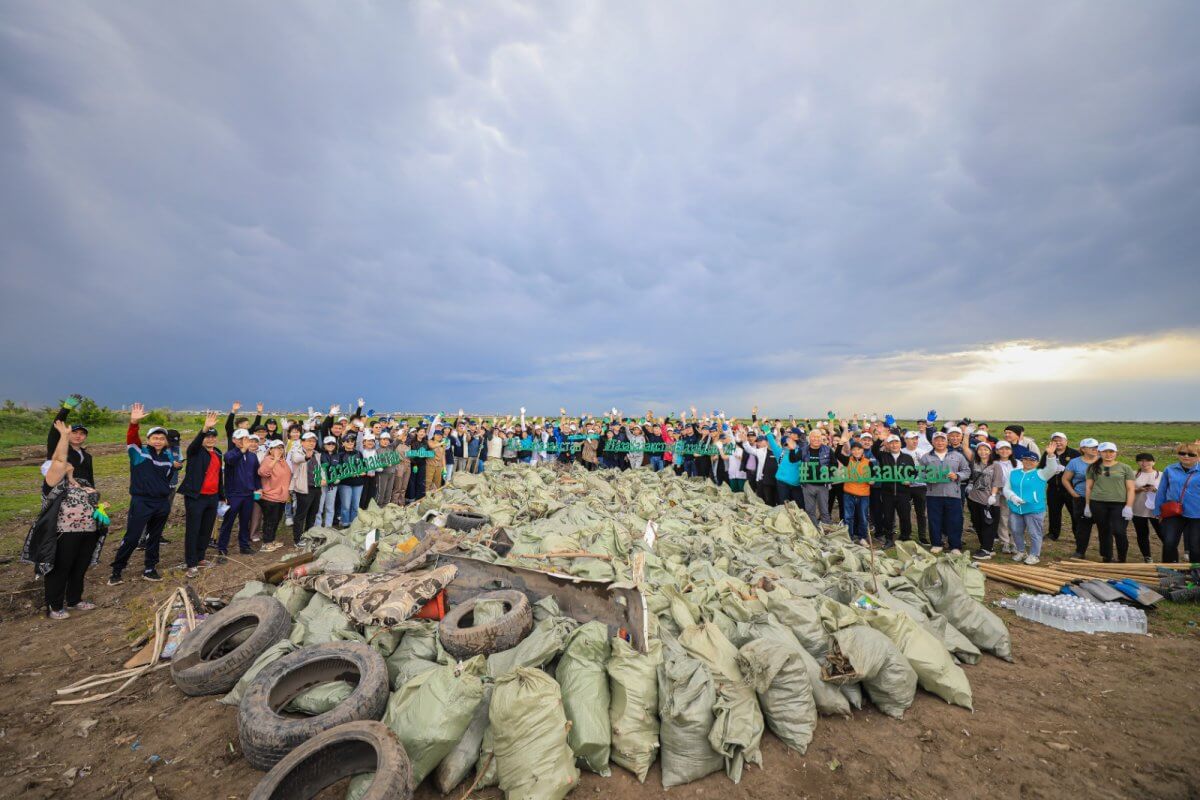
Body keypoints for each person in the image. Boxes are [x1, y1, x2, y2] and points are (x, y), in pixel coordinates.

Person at [23, 420, 105, 619]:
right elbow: (58, 459)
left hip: (88, 529)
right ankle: (55, 606)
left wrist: (99, 506)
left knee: (80, 566)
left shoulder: (81, 482)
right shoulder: (52, 484)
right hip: (64, 532)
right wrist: (63, 436)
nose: (66, 464)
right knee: (61, 567)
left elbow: (94, 499)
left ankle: (75, 599)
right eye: (62, 464)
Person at [108, 404, 177, 584]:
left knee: (154, 538)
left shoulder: (168, 457)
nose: (158, 440)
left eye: (162, 438)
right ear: (148, 439)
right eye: (154, 437)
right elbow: (131, 438)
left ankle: (149, 568)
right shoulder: (139, 453)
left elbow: (168, 477)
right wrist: (134, 422)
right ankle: (117, 570)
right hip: (142, 502)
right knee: (132, 537)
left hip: (162, 503)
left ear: (166, 441)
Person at [178, 411, 223, 577]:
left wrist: (222, 495)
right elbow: (194, 445)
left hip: (212, 497)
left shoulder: (217, 453)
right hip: (196, 497)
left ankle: (201, 557)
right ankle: (191, 563)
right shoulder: (195, 452)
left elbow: (219, 476)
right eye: (207, 436)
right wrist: (204, 428)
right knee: (193, 529)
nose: (210, 439)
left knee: (206, 529)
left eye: (213, 436)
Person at [1004, 442, 1062, 565]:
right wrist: (1012, 497)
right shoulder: (1014, 473)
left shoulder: (1040, 473)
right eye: (1026, 459)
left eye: (1032, 460)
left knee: (1034, 533)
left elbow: (1052, 468)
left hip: (1034, 509)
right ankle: (1021, 551)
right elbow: (1006, 488)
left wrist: (1051, 455)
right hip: (1016, 508)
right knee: (1015, 531)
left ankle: (1034, 555)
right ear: (1022, 460)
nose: (1029, 462)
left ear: (1036, 462)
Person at [920, 431, 972, 554]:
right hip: (933, 494)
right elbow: (920, 474)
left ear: (947, 441)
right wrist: (928, 477)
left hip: (953, 494)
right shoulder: (926, 457)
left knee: (955, 520)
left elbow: (967, 471)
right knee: (934, 520)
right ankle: (937, 543)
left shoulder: (957, 456)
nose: (940, 442)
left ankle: (955, 545)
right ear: (932, 442)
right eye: (937, 440)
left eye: (942, 440)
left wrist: (957, 475)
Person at [1084, 442, 1136, 563]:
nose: (1108, 454)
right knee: (1104, 530)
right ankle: (1107, 556)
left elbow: (1130, 488)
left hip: (1119, 504)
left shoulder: (1125, 468)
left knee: (1119, 531)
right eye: (1105, 451)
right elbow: (1088, 487)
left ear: (1116, 453)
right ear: (1099, 452)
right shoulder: (1093, 467)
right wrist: (1087, 505)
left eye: (1111, 451)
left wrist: (1129, 506)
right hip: (1098, 503)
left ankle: (1122, 558)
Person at [1152, 441, 1200, 563]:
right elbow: (1162, 490)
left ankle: (1196, 574)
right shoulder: (1170, 469)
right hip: (1174, 512)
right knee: (1169, 543)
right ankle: (1169, 571)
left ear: (1198, 456)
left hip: (1197, 514)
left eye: (1191, 454)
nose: (1186, 456)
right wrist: (1158, 511)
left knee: (1195, 547)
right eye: (1182, 453)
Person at [217, 428, 261, 559]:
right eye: (241, 439)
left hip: (248, 494)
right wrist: (242, 450)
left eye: (246, 438)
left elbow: (256, 474)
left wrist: (258, 488)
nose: (244, 441)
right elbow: (231, 461)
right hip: (234, 495)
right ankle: (222, 548)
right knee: (228, 522)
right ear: (234, 440)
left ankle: (244, 546)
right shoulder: (230, 454)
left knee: (245, 521)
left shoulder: (252, 456)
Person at [1062, 437, 1100, 559]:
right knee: (1082, 527)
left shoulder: (1103, 460)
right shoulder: (1075, 462)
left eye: (1096, 447)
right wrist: (1073, 494)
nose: (1095, 449)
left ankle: (1106, 554)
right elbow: (1065, 479)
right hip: (1081, 498)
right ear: (1083, 449)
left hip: (1101, 499)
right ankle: (1080, 551)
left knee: (1105, 527)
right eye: (1092, 447)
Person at [875, 434, 915, 547]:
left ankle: (905, 537)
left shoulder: (907, 457)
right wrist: (880, 438)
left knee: (905, 516)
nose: (894, 445)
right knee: (887, 517)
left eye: (896, 442)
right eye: (891, 443)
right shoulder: (883, 456)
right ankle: (889, 539)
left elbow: (913, 472)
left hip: (904, 493)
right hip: (887, 493)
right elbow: (874, 449)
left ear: (900, 444)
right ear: (887, 445)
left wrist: (910, 480)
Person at [966, 440, 1003, 560]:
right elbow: (971, 477)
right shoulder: (974, 462)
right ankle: (987, 547)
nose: (983, 452)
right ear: (977, 451)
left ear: (990, 451)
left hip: (989, 501)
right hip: (974, 498)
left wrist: (993, 495)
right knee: (978, 524)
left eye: (986, 449)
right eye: (980, 449)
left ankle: (986, 550)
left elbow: (997, 482)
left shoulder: (996, 465)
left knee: (988, 525)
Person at [47, 393, 94, 485]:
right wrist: (65, 409)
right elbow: (55, 428)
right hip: (60, 494)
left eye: (82, 434)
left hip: (81, 495)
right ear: (67, 434)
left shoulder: (88, 457)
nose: (78, 436)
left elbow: (90, 478)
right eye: (74, 432)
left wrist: (93, 494)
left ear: (85, 437)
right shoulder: (59, 452)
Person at [1043, 432, 1080, 541]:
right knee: (1054, 512)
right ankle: (1053, 534)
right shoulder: (1048, 453)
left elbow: (1080, 469)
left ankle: (1078, 534)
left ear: (1066, 441)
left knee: (1074, 512)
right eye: (1055, 441)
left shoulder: (1074, 454)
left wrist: (1066, 469)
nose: (1058, 443)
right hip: (1054, 488)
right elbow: (1041, 468)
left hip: (1070, 488)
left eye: (1060, 440)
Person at [256, 440, 290, 553]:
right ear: (270, 450)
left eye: (281, 448)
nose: (279, 450)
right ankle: (266, 543)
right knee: (270, 520)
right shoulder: (268, 460)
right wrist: (275, 459)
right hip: (270, 497)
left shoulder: (283, 461)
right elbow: (263, 472)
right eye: (276, 448)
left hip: (281, 497)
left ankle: (272, 540)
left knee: (276, 520)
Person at [798, 430, 836, 527]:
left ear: (821, 438)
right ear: (809, 438)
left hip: (823, 485)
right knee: (810, 510)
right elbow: (793, 459)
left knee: (824, 510)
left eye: (818, 437)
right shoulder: (803, 450)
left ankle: (826, 530)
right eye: (813, 437)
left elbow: (834, 464)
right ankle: (814, 530)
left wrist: (828, 475)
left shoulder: (827, 449)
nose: (816, 439)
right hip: (807, 485)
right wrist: (790, 449)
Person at [840, 439, 873, 545]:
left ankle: (862, 537)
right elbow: (837, 454)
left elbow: (873, 477)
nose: (856, 451)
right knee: (848, 517)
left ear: (862, 450)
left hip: (863, 494)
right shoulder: (847, 460)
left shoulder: (869, 462)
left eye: (859, 449)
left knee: (863, 517)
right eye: (854, 450)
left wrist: (872, 480)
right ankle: (849, 537)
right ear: (851, 451)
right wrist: (841, 443)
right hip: (849, 493)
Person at [1131, 453, 1162, 563]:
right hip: (1137, 509)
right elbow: (1128, 490)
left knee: (1163, 533)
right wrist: (1139, 489)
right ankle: (1147, 556)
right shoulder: (1133, 474)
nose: (1144, 463)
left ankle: (1169, 555)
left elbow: (1166, 492)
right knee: (1142, 534)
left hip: (1156, 511)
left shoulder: (1161, 475)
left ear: (1153, 462)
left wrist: (1155, 490)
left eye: (1147, 461)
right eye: (1141, 461)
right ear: (1137, 463)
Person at [902, 431, 930, 544]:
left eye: (916, 439)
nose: (915, 441)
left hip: (920, 486)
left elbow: (929, 468)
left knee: (921, 513)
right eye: (912, 439)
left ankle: (922, 536)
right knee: (904, 512)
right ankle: (905, 535)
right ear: (905, 440)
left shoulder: (923, 453)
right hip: (905, 486)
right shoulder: (901, 452)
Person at [334, 434, 366, 525]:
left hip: (358, 483)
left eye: (352, 441)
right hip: (345, 483)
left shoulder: (359, 453)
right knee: (346, 506)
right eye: (347, 441)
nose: (350, 443)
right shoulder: (339, 455)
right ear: (343, 443)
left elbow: (364, 469)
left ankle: (353, 523)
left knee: (356, 506)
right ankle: (345, 523)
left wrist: (360, 472)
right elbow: (337, 470)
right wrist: (349, 474)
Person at [317, 435, 340, 526]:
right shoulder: (319, 455)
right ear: (324, 445)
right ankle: (317, 526)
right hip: (322, 485)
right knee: (319, 507)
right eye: (328, 443)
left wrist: (339, 477)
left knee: (330, 507)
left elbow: (340, 469)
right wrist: (321, 479)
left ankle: (328, 527)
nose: (331, 445)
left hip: (333, 485)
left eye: (333, 443)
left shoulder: (337, 456)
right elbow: (316, 469)